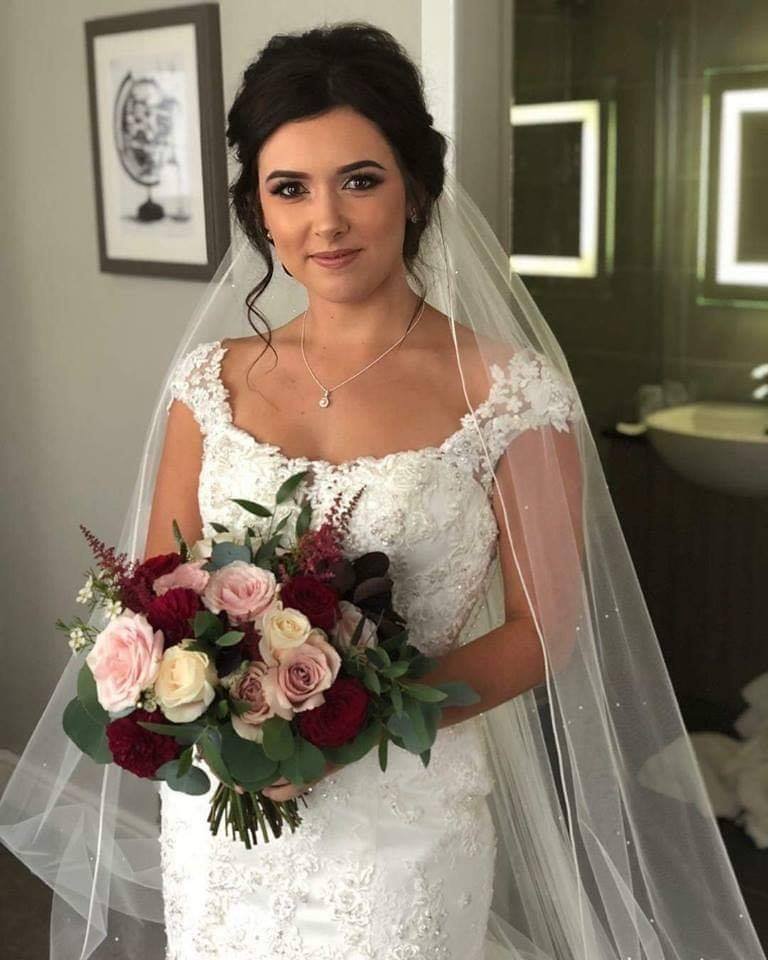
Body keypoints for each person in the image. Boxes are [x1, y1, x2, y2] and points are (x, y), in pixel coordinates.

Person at [2, 20, 765, 960]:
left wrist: (343, 723)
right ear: (261, 213)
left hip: (404, 812)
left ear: (416, 189)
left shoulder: (509, 391)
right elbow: (167, 586)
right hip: (229, 820)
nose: (326, 221)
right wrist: (204, 704)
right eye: (291, 188)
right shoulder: (211, 382)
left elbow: (544, 630)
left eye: (359, 180)